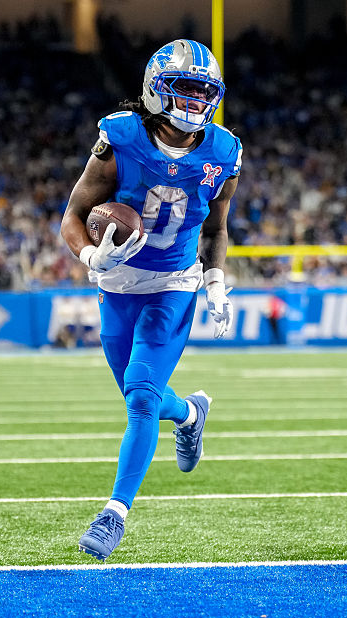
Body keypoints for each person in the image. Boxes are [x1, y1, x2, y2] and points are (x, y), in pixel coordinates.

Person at [59, 39, 242, 560]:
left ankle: (113, 514)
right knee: (140, 397)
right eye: (186, 88)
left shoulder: (223, 151)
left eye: (205, 91)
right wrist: (92, 258)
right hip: (117, 284)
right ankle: (188, 413)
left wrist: (214, 281)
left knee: (140, 394)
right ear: (157, 87)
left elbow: (216, 227)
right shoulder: (120, 137)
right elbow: (73, 214)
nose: (196, 101)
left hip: (174, 282)